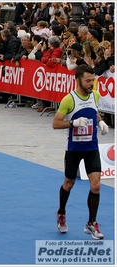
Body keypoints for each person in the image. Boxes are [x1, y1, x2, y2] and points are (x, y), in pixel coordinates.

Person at [52, 65, 109, 240]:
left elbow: (95, 111)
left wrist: (100, 122)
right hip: (74, 149)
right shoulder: (69, 100)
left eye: (93, 80)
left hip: (91, 148)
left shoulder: (96, 95)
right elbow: (55, 123)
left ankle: (91, 223)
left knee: (96, 186)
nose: (91, 83)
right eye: (88, 80)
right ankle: (61, 212)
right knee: (69, 183)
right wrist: (73, 123)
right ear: (78, 80)